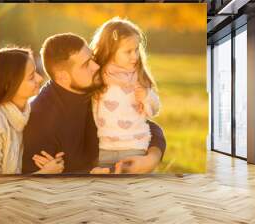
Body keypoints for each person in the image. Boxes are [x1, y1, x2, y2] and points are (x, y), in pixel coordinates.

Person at [22, 33, 166, 174]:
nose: (96, 66)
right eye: (85, 64)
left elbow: (146, 127)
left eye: (92, 58)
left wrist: (151, 159)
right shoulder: (40, 120)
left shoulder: (95, 91)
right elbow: (40, 187)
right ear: (63, 77)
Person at [89, 17, 161, 172]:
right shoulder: (98, 78)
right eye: (128, 51)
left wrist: (147, 97)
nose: (135, 56)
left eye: (136, 50)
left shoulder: (139, 77)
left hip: (135, 147)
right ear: (109, 51)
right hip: (105, 149)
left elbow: (155, 109)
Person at [0, 47, 64, 174]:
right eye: (31, 77)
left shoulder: (31, 111)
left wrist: (54, 160)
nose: (40, 79)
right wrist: (44, 173)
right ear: (9, 85)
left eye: (36, 72)